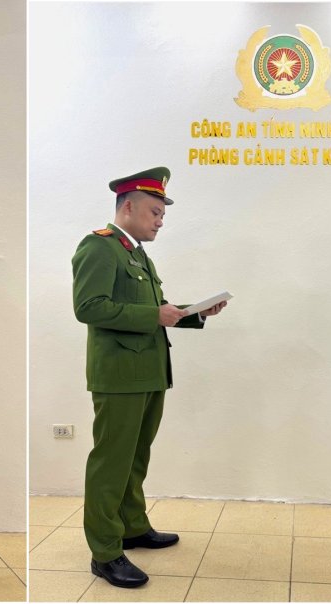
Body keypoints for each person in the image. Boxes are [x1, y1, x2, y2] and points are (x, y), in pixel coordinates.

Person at [72, 167, 227, 588]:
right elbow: (88, 307)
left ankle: (132, 526)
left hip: (148, 372)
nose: (160, 221)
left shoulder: (137, 254)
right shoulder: (99, 247)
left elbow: (152, 310)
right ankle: (105, 552)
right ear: (128, 207)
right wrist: (153, 314)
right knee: (111, 463)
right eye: (155, 212)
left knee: (136, 457)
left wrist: (194, 313)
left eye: (162, 214)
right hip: (119, 375)